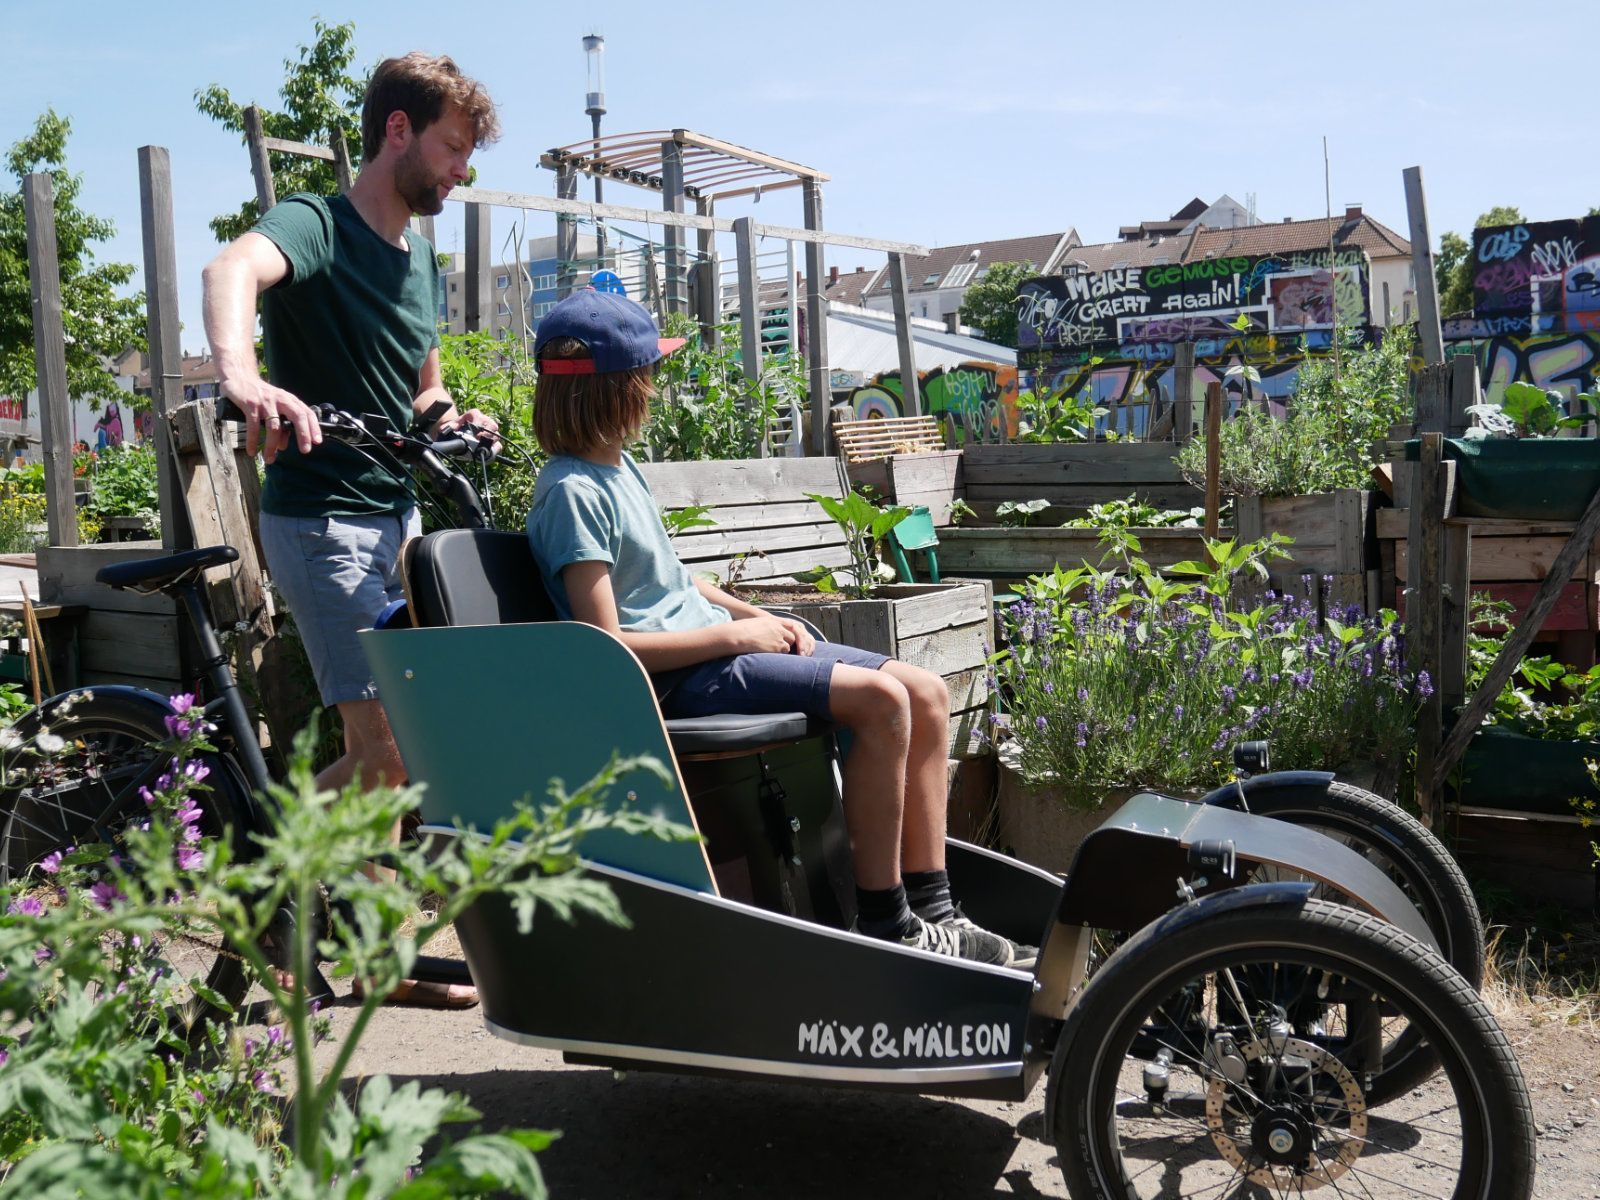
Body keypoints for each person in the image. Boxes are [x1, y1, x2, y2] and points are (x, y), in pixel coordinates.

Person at [525, 290, 1034, 968]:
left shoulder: (617, 468)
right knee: (881, 703)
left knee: (927, 692)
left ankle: (935, 909)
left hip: (713, 653)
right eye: (648, 376)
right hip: (680, 681)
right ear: (618, 390)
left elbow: (673, 581)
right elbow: (608, 649)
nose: (654, 390)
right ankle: (887, 925)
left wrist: (751, 614)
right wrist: (736, 640)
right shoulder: (571, 493)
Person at [201, 52, 501, 1007]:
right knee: (383, 750)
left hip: (396, 518)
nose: (463, 170)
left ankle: (270, 870)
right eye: (454, 148)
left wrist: (447, 414)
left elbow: (425, 374)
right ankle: (364, 949)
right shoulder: (319, 224)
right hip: (322, 521)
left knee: (401, 750)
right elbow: (231, 266)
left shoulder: (418, 254)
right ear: (399, 132)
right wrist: (241, 375)